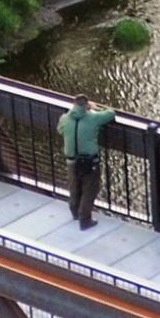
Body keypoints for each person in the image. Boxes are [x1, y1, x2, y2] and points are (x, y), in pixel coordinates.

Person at [57, 94, 116, 228]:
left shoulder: (65, 118)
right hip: (89, 162)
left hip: (71, 161)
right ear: (86, 105)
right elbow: (111, 113)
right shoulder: (92, 117)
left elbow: (60, 130)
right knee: (89, 189)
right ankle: (85, 220)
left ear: (74, 104)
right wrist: (95, 108)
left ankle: (74, 212)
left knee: (74, 186)